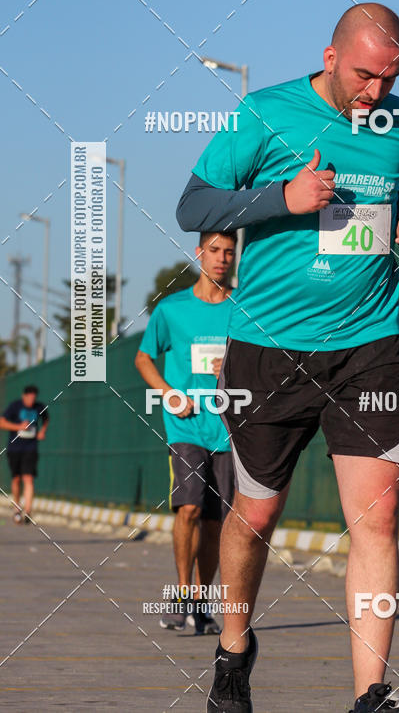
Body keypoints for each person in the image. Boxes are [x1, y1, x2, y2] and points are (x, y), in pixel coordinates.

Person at [176, 3, 399, 712]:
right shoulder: (265, 113)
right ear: (329, 57)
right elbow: (193, 206)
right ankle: (233, 649)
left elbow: (396, 193)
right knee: (256, 516)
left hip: (368, 344)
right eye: (364, 76)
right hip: (269, 347)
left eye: (390, 78)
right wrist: (280, 198)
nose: (375, 93)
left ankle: (371, 695)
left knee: (377, 517)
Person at [135, 231, 236, 635]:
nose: (222, 258)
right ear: (199, 253)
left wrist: (234, 367)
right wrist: (169, 393)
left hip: (227, 429)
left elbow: (266, 360)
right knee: (189, 508)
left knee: (214, 523)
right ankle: (180, 595)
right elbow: (143, 358)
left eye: (229, 252)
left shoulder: (244, 309)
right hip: (185, 426)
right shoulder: (171, 309)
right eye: (215, 250)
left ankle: (200, 602)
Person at [0, 384, 49, 524]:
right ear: (24, 396)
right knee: (16, 479)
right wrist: (18, 427)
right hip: (14, 448)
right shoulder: (15, 406)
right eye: (29, 398)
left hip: (30, 448)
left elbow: (46, 419)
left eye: (34, 398)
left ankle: (28, 511)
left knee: (28, 478)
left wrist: (42, 431)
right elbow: (2, 423)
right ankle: (17, 508)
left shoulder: (39, 407)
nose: (31, 401)